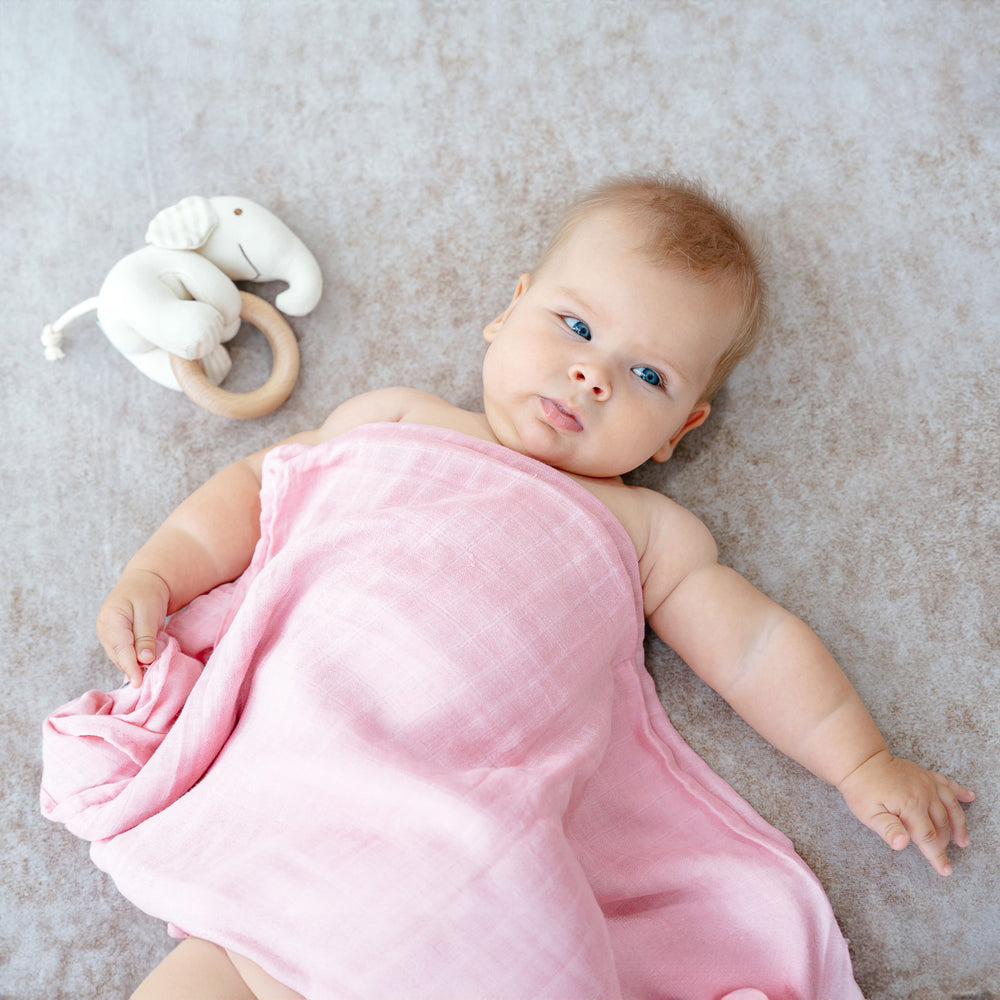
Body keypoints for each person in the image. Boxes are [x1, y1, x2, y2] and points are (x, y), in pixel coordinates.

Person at [84, 175, 971, 999]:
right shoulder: (393, 417)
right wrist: (159, 570)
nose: (594, 375)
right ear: (507, 313)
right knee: (226, 956)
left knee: (485, 928)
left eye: (649, 376)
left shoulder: (648, 534)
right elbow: (256, 490)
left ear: (680, 429)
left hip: (467, 819)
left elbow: (756, 648)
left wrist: (861, 762)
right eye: (576, 328)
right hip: (306, 757)